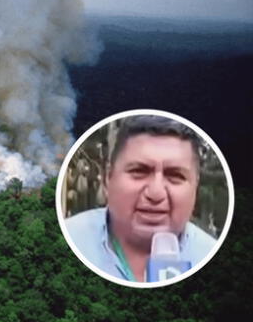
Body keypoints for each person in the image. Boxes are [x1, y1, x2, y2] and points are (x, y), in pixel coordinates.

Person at [65, 115, 217, 282]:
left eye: (175, 175)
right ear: (108, 178)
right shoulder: (69, 238)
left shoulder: (212, 257)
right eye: (139, 171)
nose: (155, 193)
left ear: (195, 186)